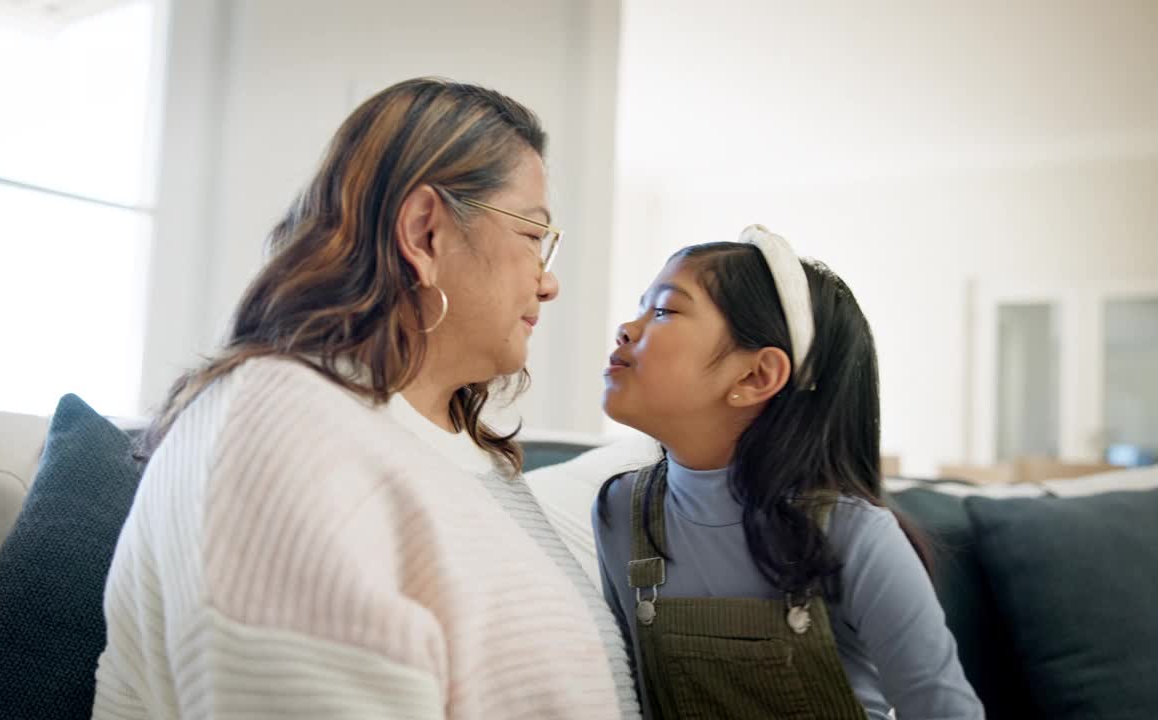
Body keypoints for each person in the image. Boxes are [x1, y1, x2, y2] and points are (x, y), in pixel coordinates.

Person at [92, 77, 639, 720]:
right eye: (532, 235)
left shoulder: (461, 454)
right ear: (425, 231)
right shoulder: (280, 427)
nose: (547, 283)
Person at [593, 226, 983, 719]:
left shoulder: (852, 533)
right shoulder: (622, 511)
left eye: (666, 310)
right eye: (642, 307)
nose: (627, 328)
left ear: (756, 377)